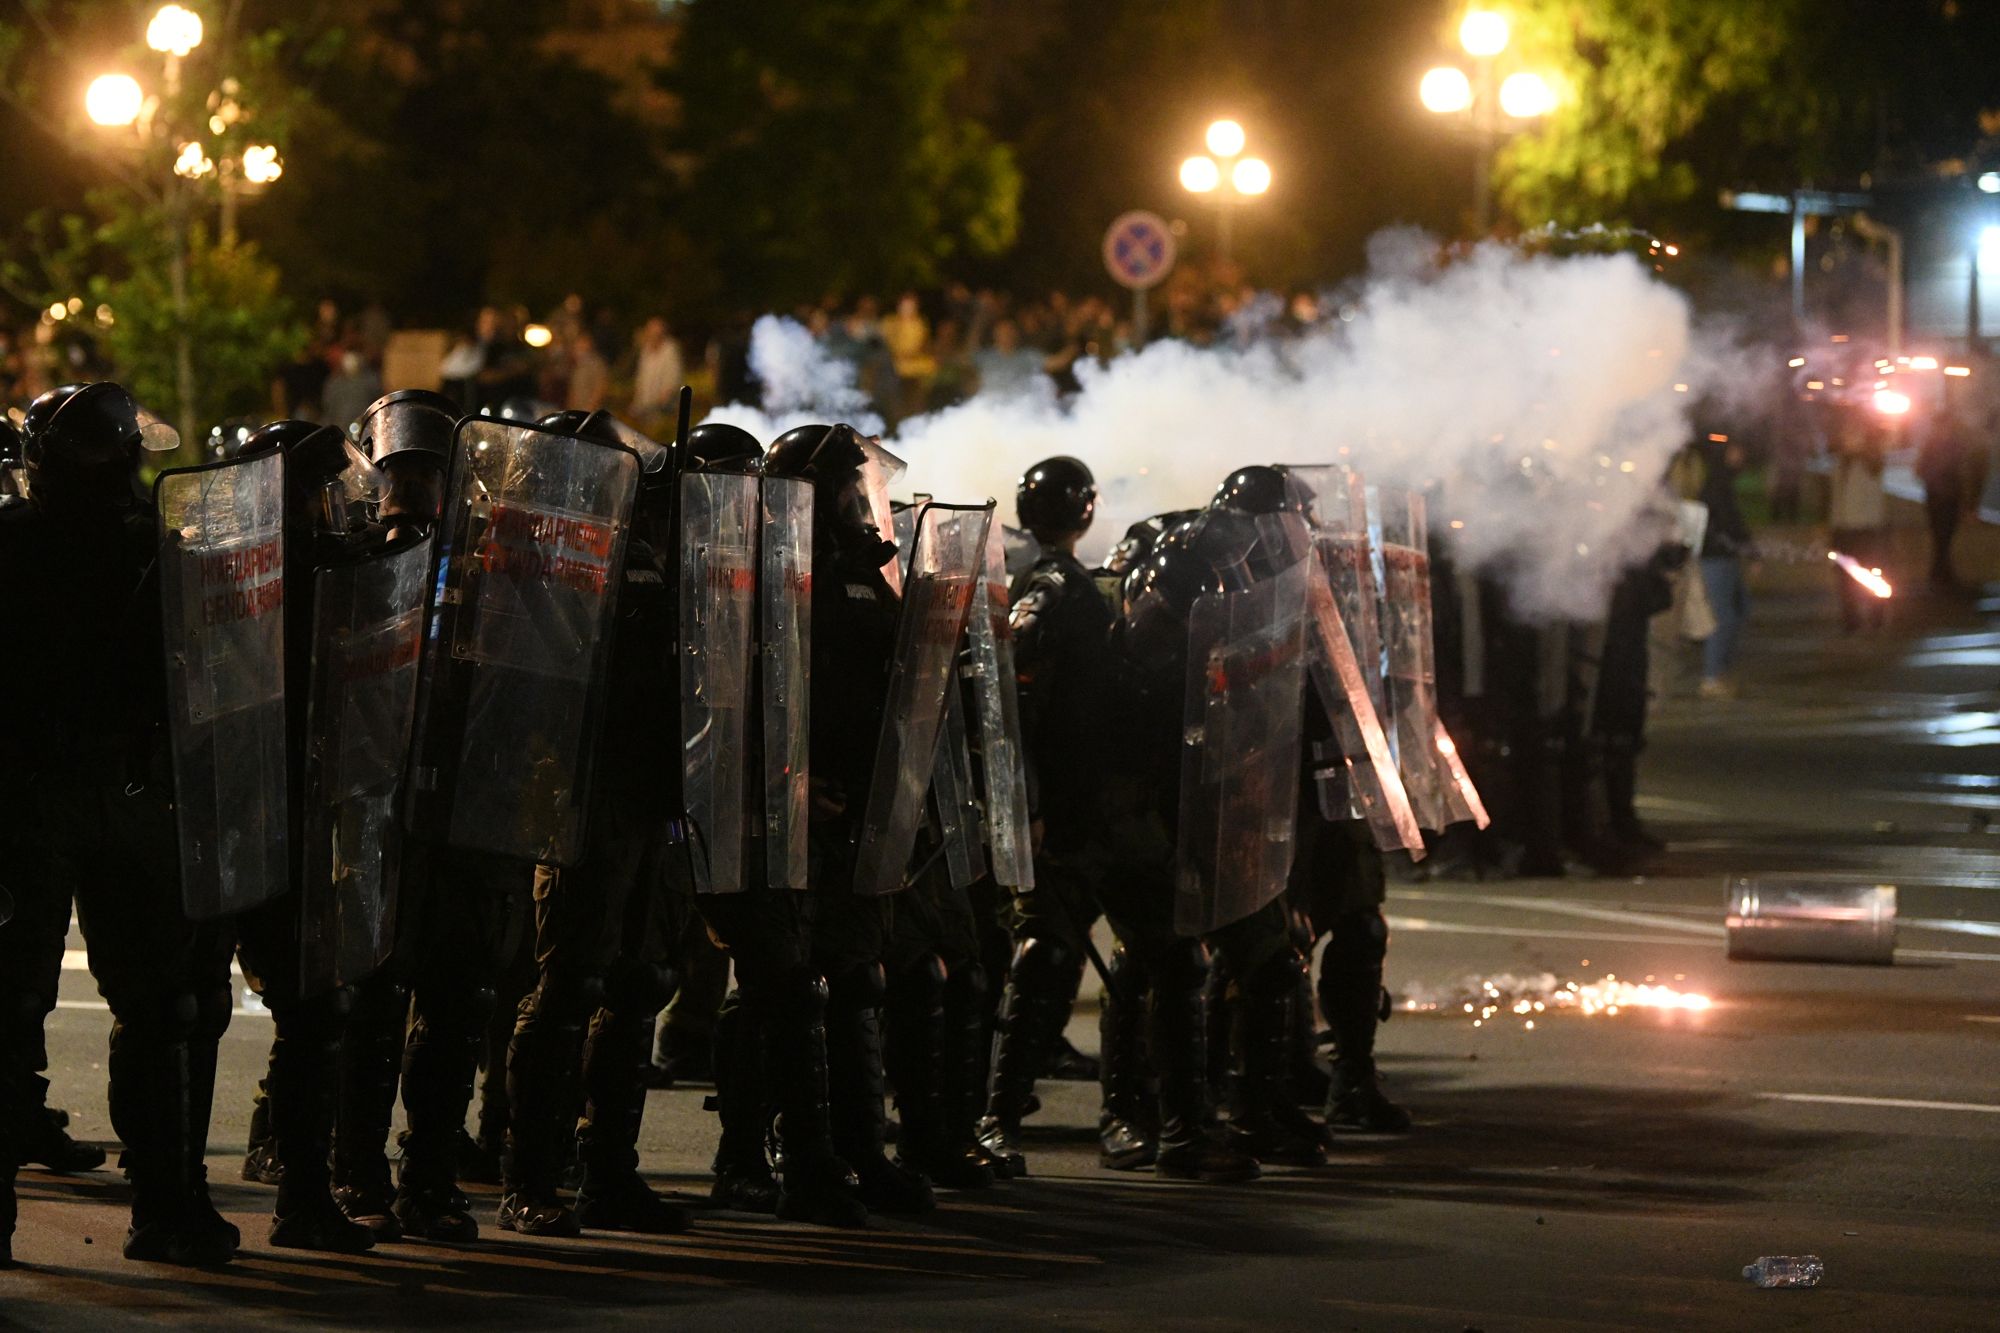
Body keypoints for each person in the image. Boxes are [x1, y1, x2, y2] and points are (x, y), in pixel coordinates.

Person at [1, 383, 239, 1265]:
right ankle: (166, 1205)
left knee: (18, 1003)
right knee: (159, 1004)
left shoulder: (18, 541)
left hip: (32, 800)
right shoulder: (161, 544)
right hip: (123, 793)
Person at [979, 458, 1111, 1175]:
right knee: (1044, 945)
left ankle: (998, 1102)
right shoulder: (1067, 592)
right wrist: (1039, 806)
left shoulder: (1039, 584)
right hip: (1062, 803)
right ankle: (996, 1109)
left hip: (1059, 799)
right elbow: (1030, 702)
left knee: (1046, 942)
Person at [1682, 433, 1753, 695]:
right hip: (1716, 556)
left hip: (1722, 555)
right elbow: (1727, 521)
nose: (1741, 457)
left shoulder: (1721, 482)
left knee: (1736, 611)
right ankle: (1712, 675)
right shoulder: (1717, 484)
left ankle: (1719, 670)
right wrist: (1747, 549)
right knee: (1722, 616)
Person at [1827, 412, 1889, 635]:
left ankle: (1876, 617)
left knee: (1872, 573)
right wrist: (1834, 527)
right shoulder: (1841, 462)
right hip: (1845, 528)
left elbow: (1876, 465)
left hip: (1867, 528)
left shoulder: (1871, 460)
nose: (1847, 437)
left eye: (1853, 433)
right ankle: (1851, 620)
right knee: (1844, 579)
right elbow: (1837, 499)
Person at [1918, 402, 1971, 590]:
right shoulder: (1938, 446)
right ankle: (1941, 572)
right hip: (1941, 497)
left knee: (1944, 535)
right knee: (1942, 535)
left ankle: (1941, 572)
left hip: (1945, 496)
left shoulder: (1942, 445)